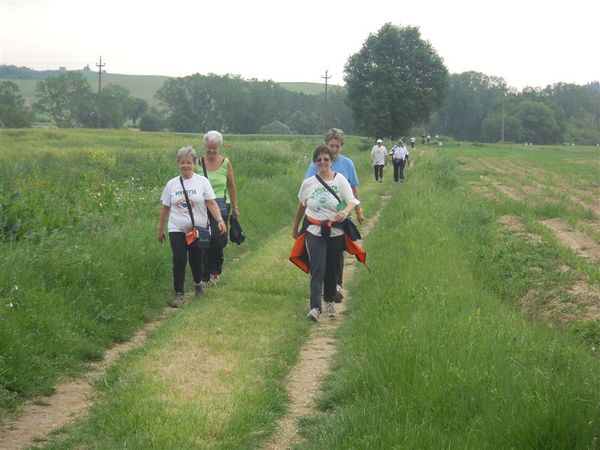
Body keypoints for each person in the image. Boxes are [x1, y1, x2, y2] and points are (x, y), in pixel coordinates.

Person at [293, 145, 359, 321]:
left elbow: (351, 200)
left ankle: (329, 300)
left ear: (331, 162)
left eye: (326, 159)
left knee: (331, 268)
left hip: (335, 231)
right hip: (314, 230)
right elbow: (301, 205)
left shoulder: (340, 180)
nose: (322, 162)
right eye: (319, 160)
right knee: (317, 268)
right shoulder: (309, 183)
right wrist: (296, 227)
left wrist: (346, 211)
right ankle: (315, 307)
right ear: (315, 163)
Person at [157, 146, 227, 308]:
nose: (186, 166)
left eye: (189, 162)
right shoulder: (171, 184)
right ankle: (179, 295)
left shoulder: (202, 182)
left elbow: (211, 202)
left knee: (196, 260)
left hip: (197, 230)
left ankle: (197, 285)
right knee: (179, 259)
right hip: (176, 228)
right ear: (178, 164)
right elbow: (165, 207)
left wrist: (219, 220)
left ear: (195, 164)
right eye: (182, 163)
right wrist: (160, 229)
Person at [304, 128, 364, 302]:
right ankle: (323, 285)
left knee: (337, 253)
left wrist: (358, 210)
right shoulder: (317, 163)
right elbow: (308, 188)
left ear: (341, 146)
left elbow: (353, 188)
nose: (335, 149)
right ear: (326, 145)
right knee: (321, 254)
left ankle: (337, 284)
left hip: (341, 215)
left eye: (337, 146)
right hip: (320, 216)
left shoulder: (347, 164)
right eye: (331, 145)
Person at [198, 130, 239, 285]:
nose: (212, 151)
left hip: (221, 204)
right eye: (209, 148)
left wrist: (235, 207)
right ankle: (204, 274)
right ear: (205, 146)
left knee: (217, 238)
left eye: (215, 148)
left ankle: (215, 269)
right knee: (203, 238)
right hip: (201, 206)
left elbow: (232, 186)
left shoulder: (225, 163)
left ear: (219, 147)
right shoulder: (198, 163)